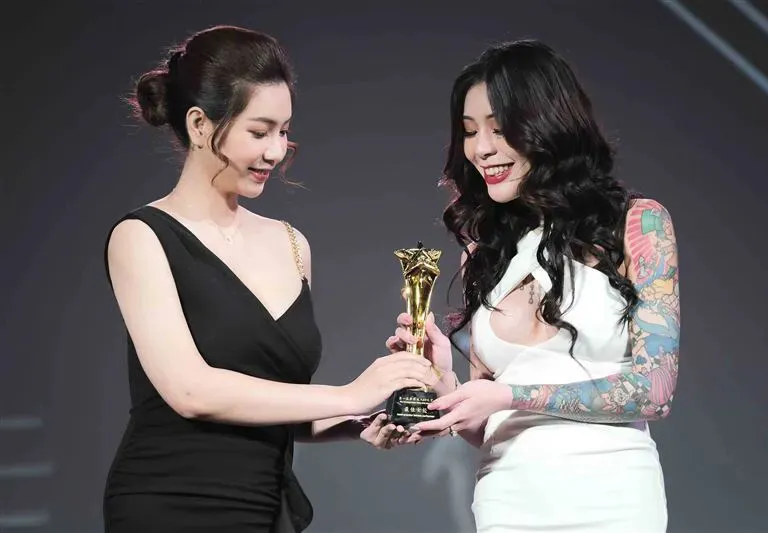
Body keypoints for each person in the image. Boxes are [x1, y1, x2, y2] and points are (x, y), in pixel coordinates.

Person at [102, 25, 437, 533]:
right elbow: (190, 391)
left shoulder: (291, 244)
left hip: (264, 505)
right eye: (259, 132)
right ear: (199, 124)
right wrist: (351, 393)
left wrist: (364, 421)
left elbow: (280, 403)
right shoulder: (141, 236)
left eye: (283, 131)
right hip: (169, 502)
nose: (277, 152)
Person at [385, 40, 679, 532]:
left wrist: (510, 395)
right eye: (469, 131)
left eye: (499, 128)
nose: (481, 149)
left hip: (614, 498)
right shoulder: (483, 250)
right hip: (507, 501)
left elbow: (654, 390)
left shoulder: (638, 224)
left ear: (548, 124)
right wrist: (445, 387)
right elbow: (486, 424)